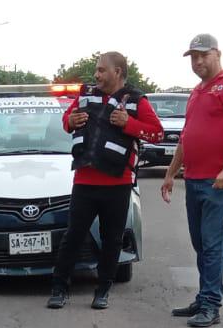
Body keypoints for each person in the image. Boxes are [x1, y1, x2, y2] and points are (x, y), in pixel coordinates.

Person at [48, 52, 163, 311]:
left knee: (111, 239)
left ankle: (102, 291)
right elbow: (66, 121)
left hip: (118, 182)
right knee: (73, 236)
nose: (96, 75)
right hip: (85, 180)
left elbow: (156, 133)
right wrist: (71, 120)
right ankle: (58, 288)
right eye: (96, 70)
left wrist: (129, 123)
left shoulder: (136, 100)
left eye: (101, 70)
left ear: (118, 72)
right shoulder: (86, 94)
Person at [159, 34, 223, 327]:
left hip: (221, 182)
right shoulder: (197, 92)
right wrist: (171, 172)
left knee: (213, 244)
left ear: (217, 54)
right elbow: (187, 137)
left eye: (203, 55)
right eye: (193, 57)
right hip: (195, 179)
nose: (198, 62)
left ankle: (211, 305)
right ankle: (204, 296)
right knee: (201, 244)